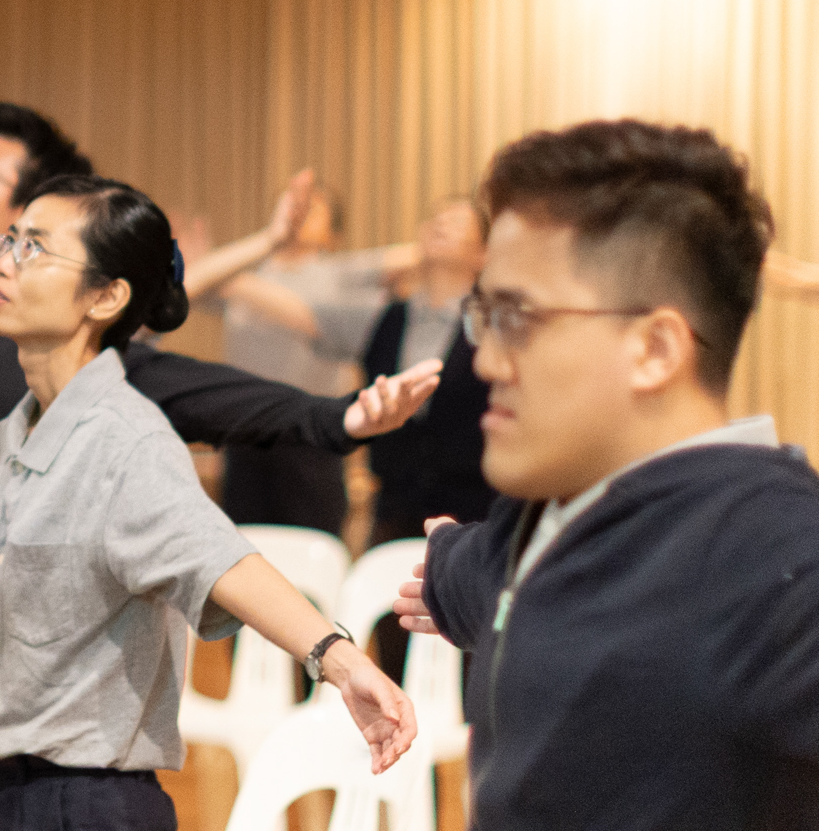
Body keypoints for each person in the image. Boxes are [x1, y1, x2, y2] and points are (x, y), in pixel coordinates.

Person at [0, 102, 442, 831]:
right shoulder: (21, 426)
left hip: (81, 804)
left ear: (105, 296)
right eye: (11, 242)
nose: (4, 262)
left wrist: (338, 659)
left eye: (33, 249)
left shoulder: (123, 440)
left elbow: (220, 558)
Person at [393, 120, 819, 829]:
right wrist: (442, 565)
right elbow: (484, 575)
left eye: (518, 317)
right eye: (484, 315)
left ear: (655, 348)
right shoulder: (537, 519)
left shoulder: (783, 559)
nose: (487, 360)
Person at [222, 194, 495, 546]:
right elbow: (299, 312)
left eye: (456, 222)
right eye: (435, 219)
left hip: (476, 522)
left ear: (483, 253)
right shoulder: (382, 316)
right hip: (392, 519)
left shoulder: (496, 325)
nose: (440, 225)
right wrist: (219, 275)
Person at [184, 173, 394, 534]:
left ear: (333, 234)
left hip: (310, 433)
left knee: (314, 543)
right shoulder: (249, 273)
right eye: (293, 205)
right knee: (247, 542)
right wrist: (208, 268)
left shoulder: (341, 274)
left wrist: (222, 274)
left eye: (312, 208)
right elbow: (185, 288)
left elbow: (305, 315)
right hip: (246, 431)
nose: (299, 213)